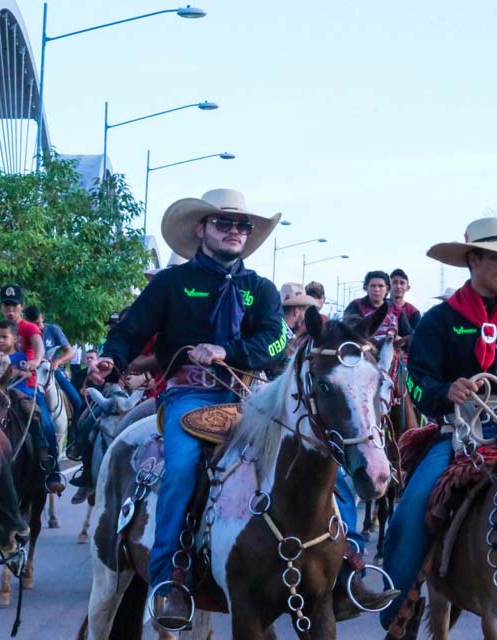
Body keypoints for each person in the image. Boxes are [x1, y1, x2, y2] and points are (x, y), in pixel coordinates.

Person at [89, 188, 393, 627]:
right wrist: (111, 359)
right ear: (201, 229)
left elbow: (274, 340)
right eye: (224, 223)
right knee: (181, 468)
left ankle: (348, 563)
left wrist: (226, 351)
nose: (235, 231)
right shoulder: (171, 284)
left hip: (251, 395)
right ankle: (169, 579)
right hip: (188, 395)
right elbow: (131, 330)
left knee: (326, 458)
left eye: (242, 225)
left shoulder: (259, 289)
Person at [381, 216, 497, 635]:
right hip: (460, 435)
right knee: (410, 516)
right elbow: (415, 379)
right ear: (473, 259)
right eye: (496, 257)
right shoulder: (439, 320)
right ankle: (397, 613)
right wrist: (445, 389)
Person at [0, 285, 64, 494]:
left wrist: (35, 361)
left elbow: (38, 347)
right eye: (6, 305)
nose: (10, 309)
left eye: (14, 305)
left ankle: (52, 471)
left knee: (45, 423)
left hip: (27, 389)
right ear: (1, 307)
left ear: (21, 306)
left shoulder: (29, 328)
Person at [23, 305, 85, 419]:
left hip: (52, 370)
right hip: (30, 373)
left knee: (77, 401)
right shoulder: (22, 332)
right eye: (34, 324)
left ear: (43, 317)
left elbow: (70, 352)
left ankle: (75, 427)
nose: (39, 327)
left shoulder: (53, 330)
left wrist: (57, 361)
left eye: (40, 322)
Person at [344, 270, 413, 338]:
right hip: (364, 344)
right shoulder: (356, 305)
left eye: (381, 286)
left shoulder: (396, 309)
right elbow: (352, 329)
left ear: (387, 289)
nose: (377, 289)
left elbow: (409, 335)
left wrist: (400, 339)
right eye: (373, 286)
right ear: (366, 288)